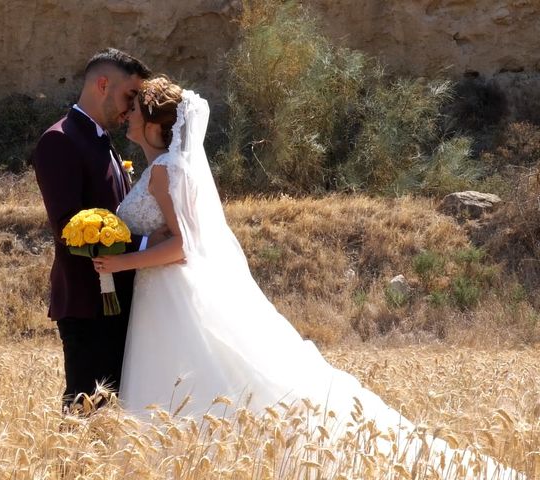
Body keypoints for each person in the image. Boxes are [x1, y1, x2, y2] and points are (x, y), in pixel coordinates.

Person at [92, 77, 522, 478]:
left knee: (199, 377)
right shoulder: (163, 166)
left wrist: (118, 264)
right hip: (160, 291)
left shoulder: (167, 170)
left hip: (171, 291)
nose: (125, 116)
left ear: (152, 124)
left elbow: (183, 247)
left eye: (133, 110)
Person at [32, 48, 167, 411]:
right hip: (87, 303)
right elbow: (68, 228)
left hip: (118, 303)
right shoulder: (60, 140)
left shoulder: (101, 142)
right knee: (84, 417)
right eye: (129, 96)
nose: (131, 108)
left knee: (112, 418)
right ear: (102, 84)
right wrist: (144, 243)